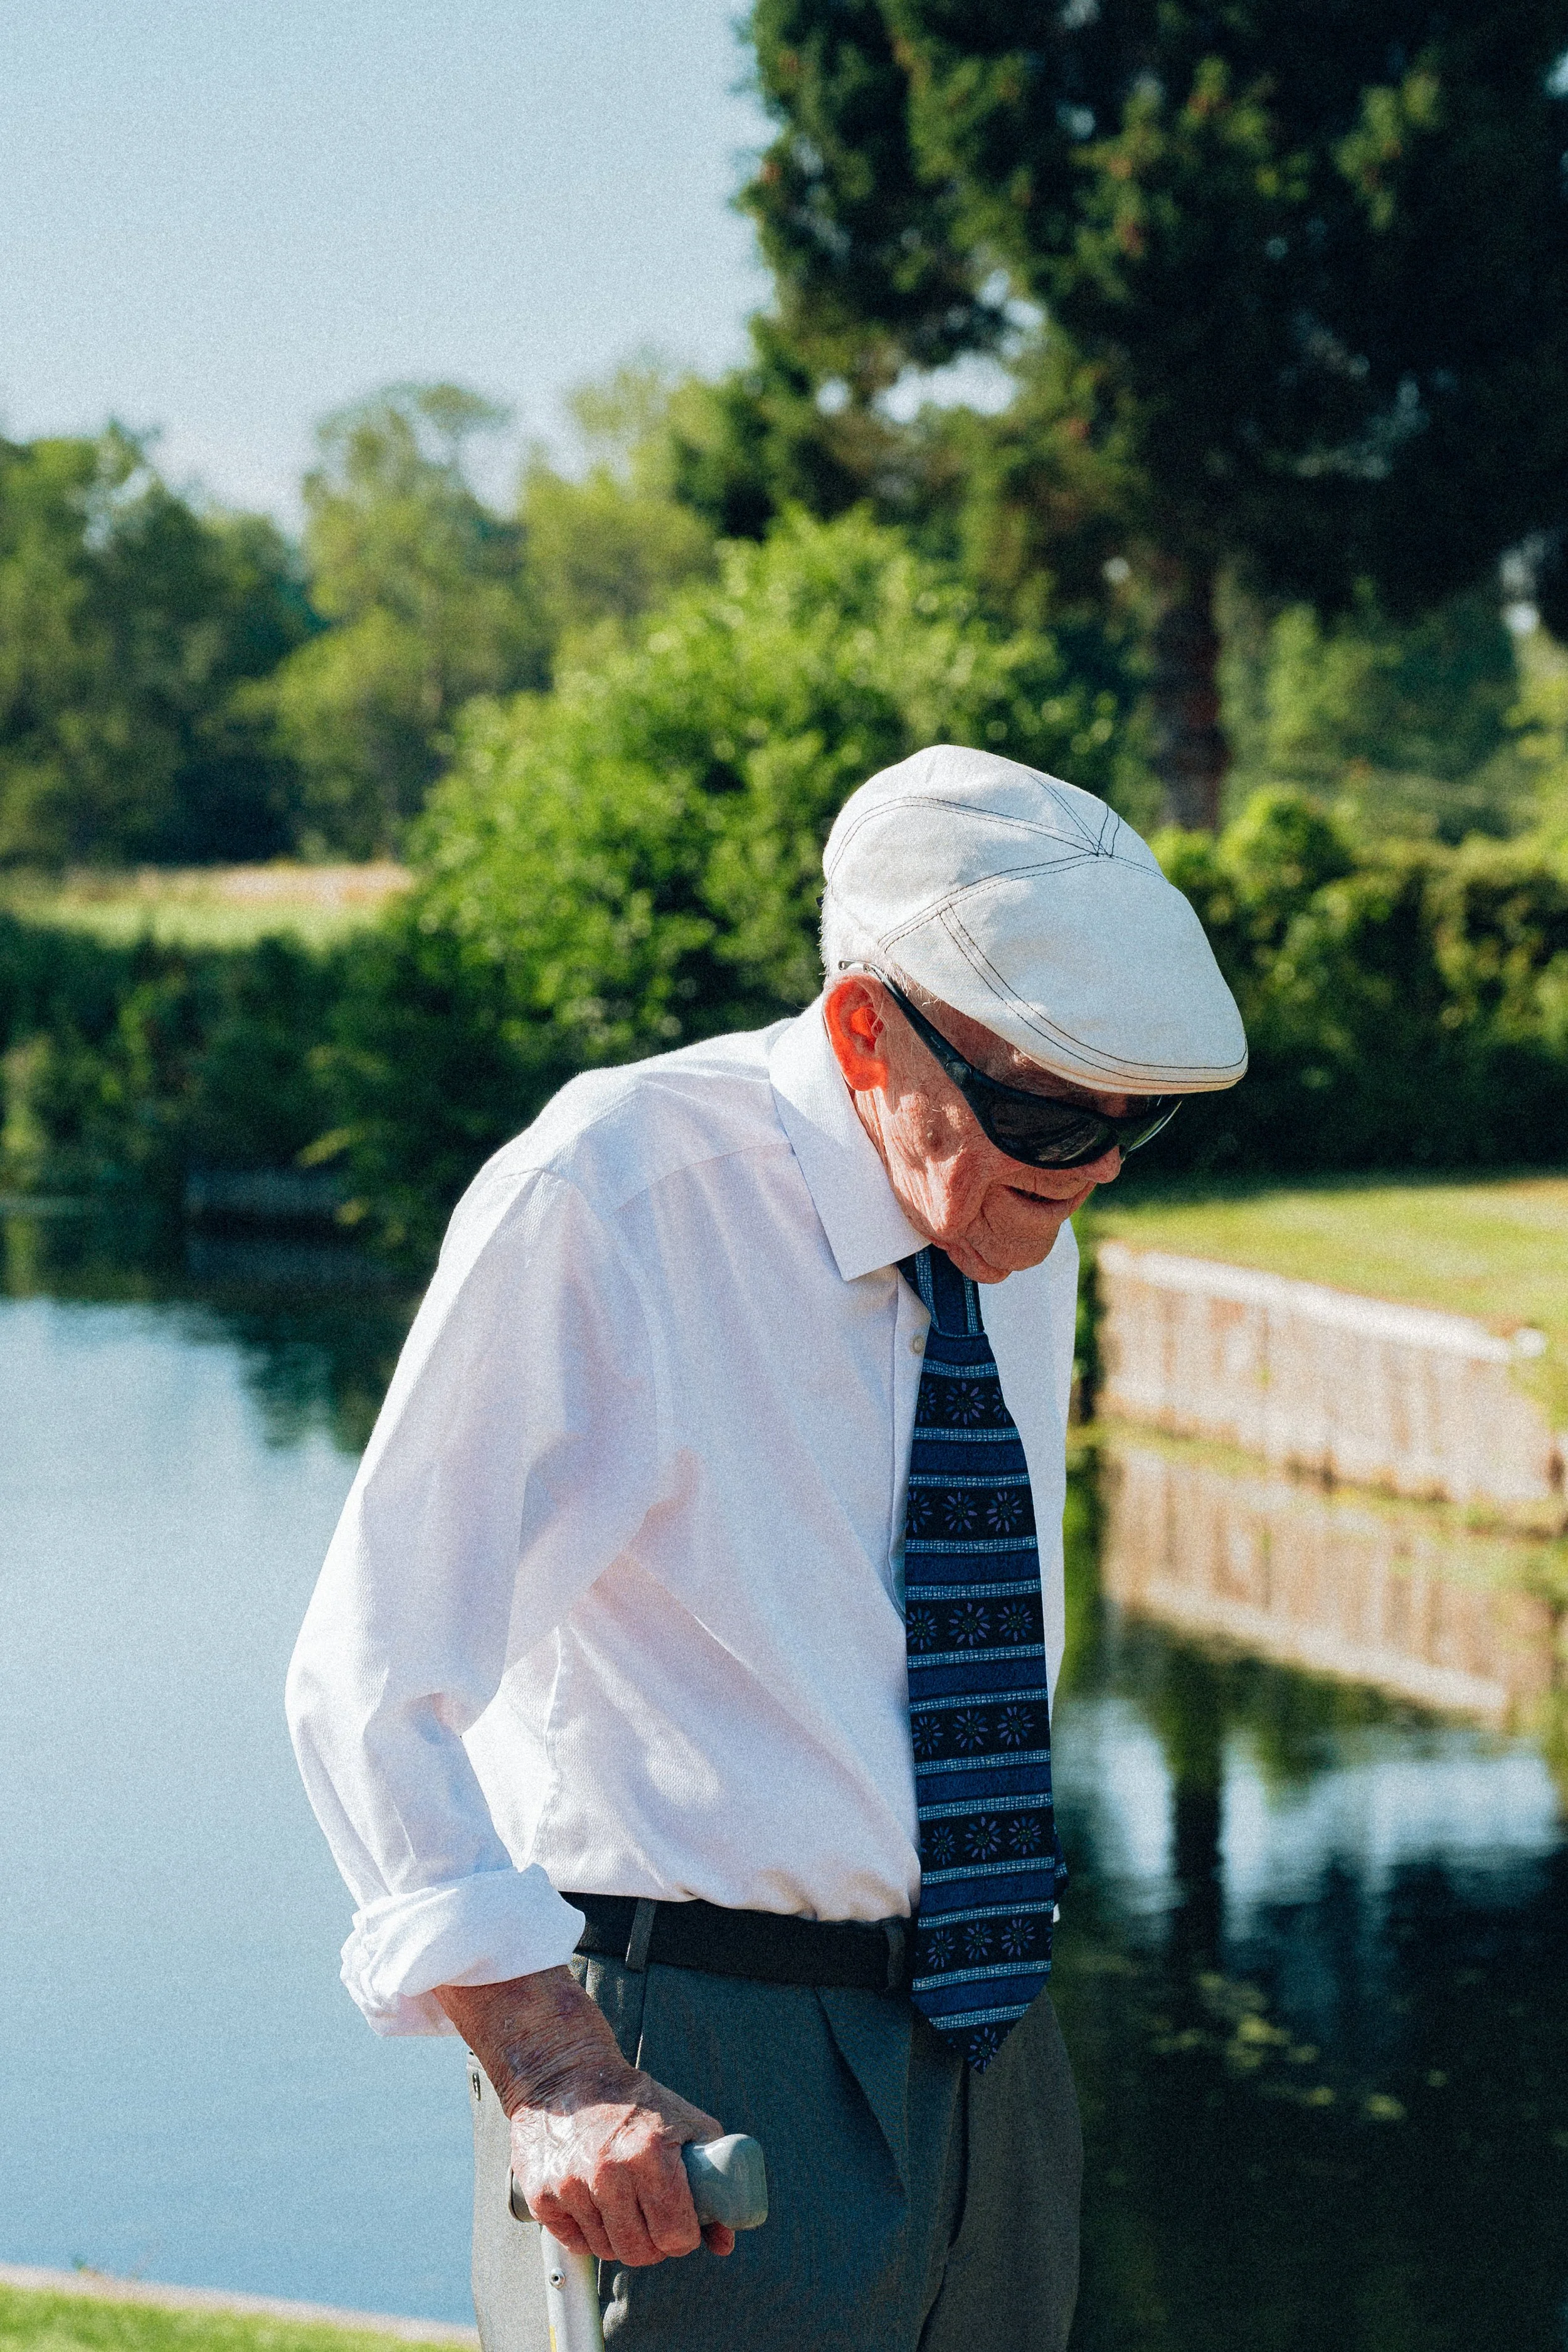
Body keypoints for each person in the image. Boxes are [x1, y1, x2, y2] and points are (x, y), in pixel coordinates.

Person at [287, 744, 1246, 2352]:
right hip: (687, 2061)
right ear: (865, 1025)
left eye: (1123, 1126)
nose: (1078, 1176)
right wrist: (552, 2068)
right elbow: (369, 1679)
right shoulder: (611, 1194)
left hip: (991, 2039)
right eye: (1035, 1111)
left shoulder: (1006, 1215)